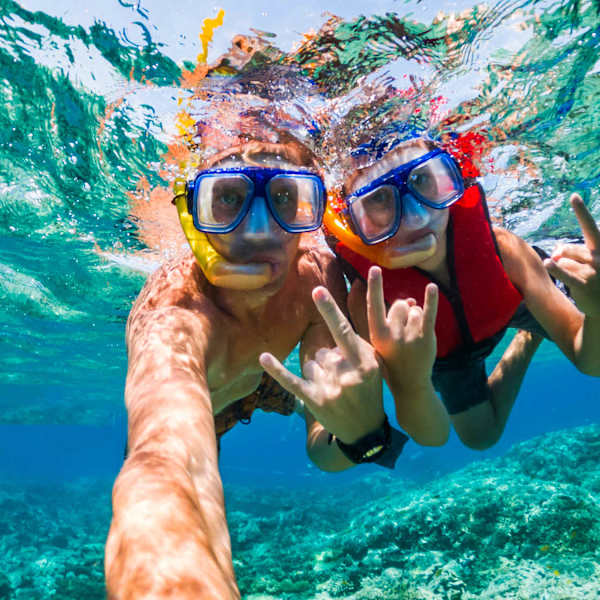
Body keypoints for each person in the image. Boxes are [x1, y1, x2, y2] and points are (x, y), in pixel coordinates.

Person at [105, 136, 449, 600]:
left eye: (287, 199)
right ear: (193, 214)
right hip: (215, 403)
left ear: (312, 211)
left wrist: (365, 434)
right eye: (228, 199)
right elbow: (166, 464)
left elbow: (323, 449)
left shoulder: (317, 280)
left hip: (268, 379)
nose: (261, 229)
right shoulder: (174, 316)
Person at [322, 134, 600, 450]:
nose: (416, 216)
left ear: (450, 179)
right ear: (354, 224)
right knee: (480, 436)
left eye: (423, 179)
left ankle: (544, 318)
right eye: (379, 199)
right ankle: (527, 339)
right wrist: (411, 382)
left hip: (513, 302)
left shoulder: (504, 249)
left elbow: (591, 361)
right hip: (447, 356)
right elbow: (430, 436)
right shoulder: (371, 303)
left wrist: (596, 314)